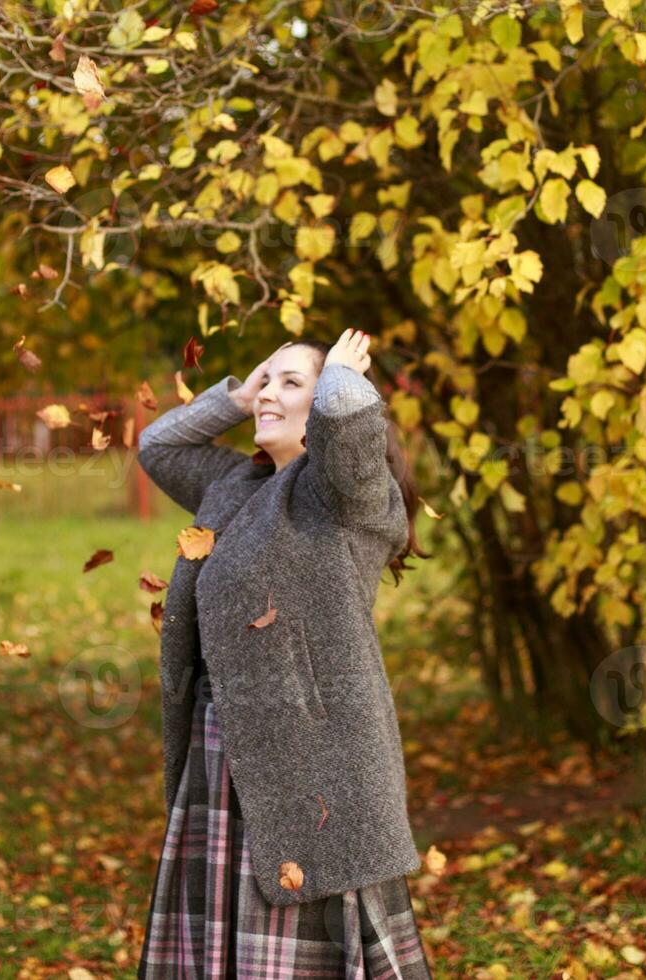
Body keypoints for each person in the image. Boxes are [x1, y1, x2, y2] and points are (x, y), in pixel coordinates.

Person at [135, 329, 435, 977]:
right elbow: (157, 444)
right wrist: (238, 397)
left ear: (327, 402)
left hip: (315, 771)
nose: (270, 391)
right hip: (222, 754)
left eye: (291, 383)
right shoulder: (232, 486)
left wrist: (341, 382)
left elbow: (351, 443)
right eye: (264, 378)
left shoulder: (341, 496)